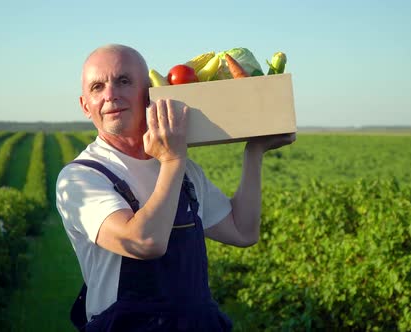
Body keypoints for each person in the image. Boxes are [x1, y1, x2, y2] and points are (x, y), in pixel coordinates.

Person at [56, 43, 295, 331]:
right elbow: (143, 242)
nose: (110, 95)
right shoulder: (82, 178)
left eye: (123, 81)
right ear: (85, 105)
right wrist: (172, 159)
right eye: (97, 87)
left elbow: (243, 231)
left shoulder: (186, 171)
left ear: (149, 94)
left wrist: (254, 151)